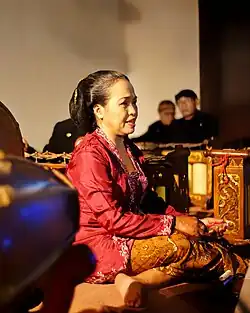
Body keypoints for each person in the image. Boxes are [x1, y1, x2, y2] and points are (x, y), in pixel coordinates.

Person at [66, 71, 246, 309]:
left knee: (208, 242)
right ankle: (242, 279)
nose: (133, 111)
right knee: (186, 248)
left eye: (135, 102)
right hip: (99, 244)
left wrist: (189, 220)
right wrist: (174, 225)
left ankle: (133, 281)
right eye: (124, 104)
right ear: (99, 110)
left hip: (129, 233)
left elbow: (150, 202)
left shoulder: (128, 147)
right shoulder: (90, 154)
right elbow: (112, 219)